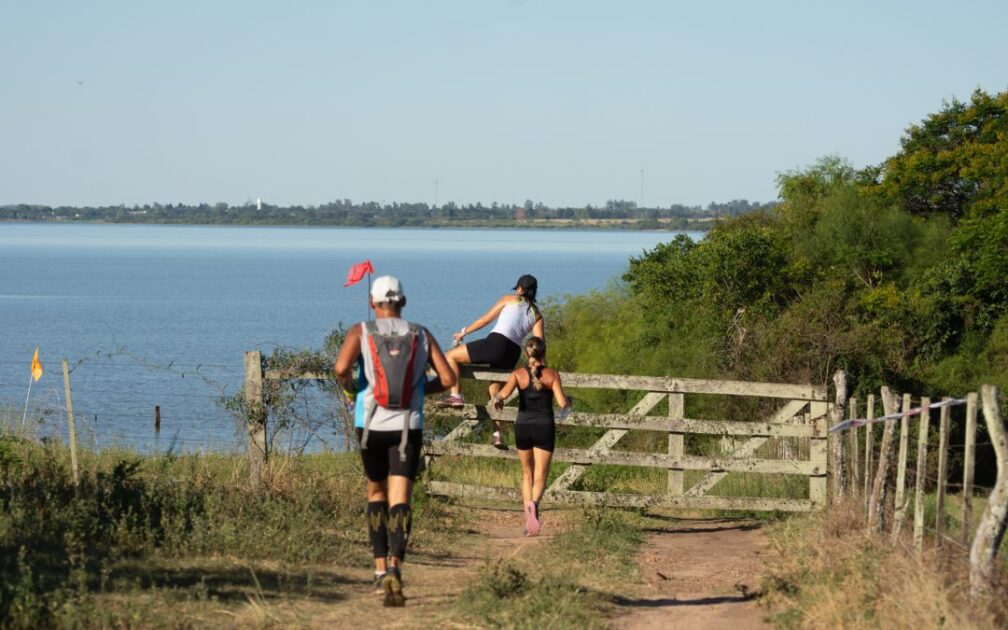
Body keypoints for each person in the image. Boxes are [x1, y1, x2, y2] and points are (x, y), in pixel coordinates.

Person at [334, 275, 455, 607]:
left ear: (373, 303)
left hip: (369, 425)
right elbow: (448, 378)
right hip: (407, 425)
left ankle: (377, 570)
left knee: (376, 492)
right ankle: (395, 569)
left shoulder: (361, 331)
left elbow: (341, 367)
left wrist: (351, 389)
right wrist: (418, 390)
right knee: (401, 499)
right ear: (403, 302)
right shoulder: (421, 333)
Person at [441, 274, 544, 449]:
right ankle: (497, 435)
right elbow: (539, 343)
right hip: (512, 352)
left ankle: (456, 396)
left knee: (451, 356)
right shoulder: (537, 314)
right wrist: (538, 364)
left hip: (496, 343)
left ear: (519, 289)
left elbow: (484, 320)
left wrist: (463, 333)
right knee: (494, 390)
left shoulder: (509, 300)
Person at [492, 336, 570, 536]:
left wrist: (497, 399)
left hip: (523, 427)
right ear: (543, 353)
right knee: (540, 475)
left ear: (527, 353)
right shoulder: (552, 374)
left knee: (526, 474)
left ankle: (529, 517)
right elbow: (561, 404)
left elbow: (503, 394)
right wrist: (568, 400)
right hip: (544, 427)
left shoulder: (518, 374)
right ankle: (534, 505)